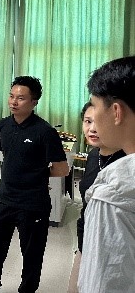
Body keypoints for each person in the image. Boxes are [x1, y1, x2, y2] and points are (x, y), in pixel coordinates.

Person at [0, 76, 69, 293]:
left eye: (20, 98)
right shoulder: (3, 125)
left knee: (32, 252)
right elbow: (8, 156)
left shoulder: (45, 132)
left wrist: (37, 175)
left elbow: (62, 169)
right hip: (4, 198)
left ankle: (27, 290)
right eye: (11, 96)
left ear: (34, 102)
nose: (13, 102)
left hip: (33, 202)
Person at [78, 56, 135, 293]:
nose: (93, 126)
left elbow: (105, 282)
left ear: (116, 112)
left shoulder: (113, 195)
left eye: (96, 107)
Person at [67, 102, 125, 293]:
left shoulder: (126, 161)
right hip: (87, 239)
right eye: (87, 121)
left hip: (115, 247)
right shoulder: (93, 156)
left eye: (99, 122)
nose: (92, 128)